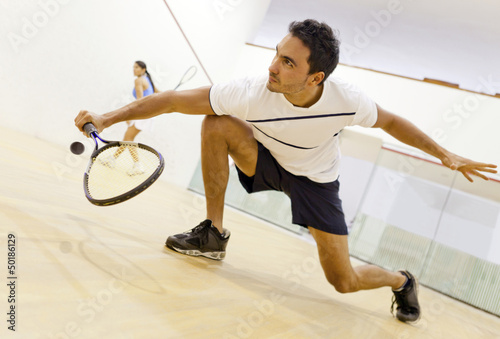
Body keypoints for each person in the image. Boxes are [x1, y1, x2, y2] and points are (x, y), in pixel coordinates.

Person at [75, 20, 497, 323]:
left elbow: (390, 122)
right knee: (216, 122)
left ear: (315, 77)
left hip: (316, 184)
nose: (273, 67)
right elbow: (170, 99)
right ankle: (213, 233)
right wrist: (106, 117)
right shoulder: (250, 91)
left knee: (343, 281)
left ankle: (402, 280)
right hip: (270, 162)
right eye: (276, 54)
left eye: (288, 63)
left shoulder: (347, 100)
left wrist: (446, 154)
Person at [102, 61, 160, 175]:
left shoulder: (138, 80)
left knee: (128, 139)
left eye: (137, 67)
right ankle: (112, 159)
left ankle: (137, 165)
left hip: (142, 114)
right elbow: (160, 94)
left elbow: (140, 101)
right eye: (133, 67)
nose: (134, 69)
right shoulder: (149, 81)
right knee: (128, 138)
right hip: (148, 115)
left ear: (143, 69)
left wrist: (130, 116)